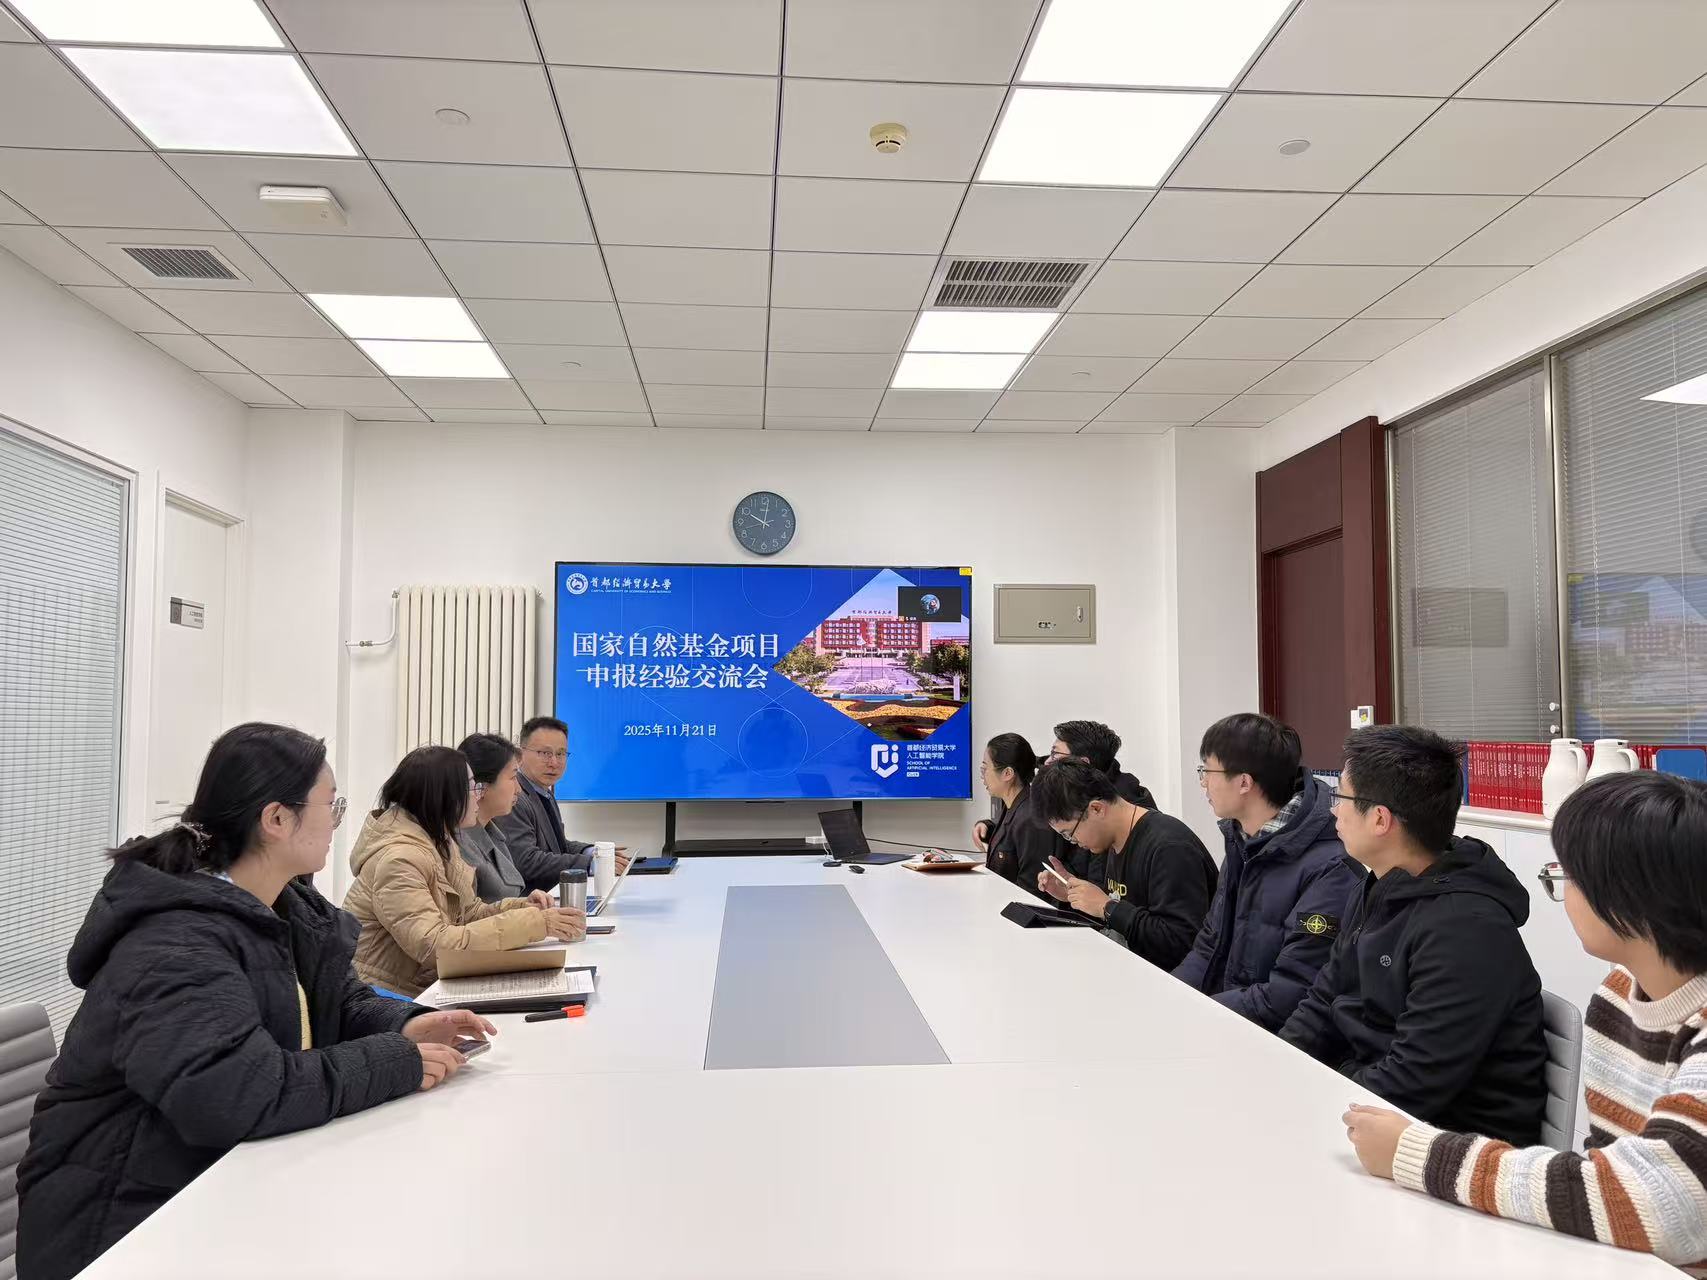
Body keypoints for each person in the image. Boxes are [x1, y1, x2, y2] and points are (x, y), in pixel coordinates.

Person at [15, 723, 494, 1280]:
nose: (338, 820)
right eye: (331, 804)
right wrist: (395, 1061)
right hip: (123, 1229)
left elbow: (337, 1003)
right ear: (277, 820)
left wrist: (408, 1024)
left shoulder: (282, 905)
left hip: (222, 1185)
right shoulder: (176, 942)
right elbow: (238, 1094)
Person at [1343, 771, 1707, 1270]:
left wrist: (1417, 1153)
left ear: (1627, 896)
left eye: (1569, 875)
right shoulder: (1618, 998)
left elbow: (1661, 1206)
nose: (1563, 889)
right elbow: (1607, 1169)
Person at [1279, 725, 1546, 1147]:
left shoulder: (1467, 928)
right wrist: (1280, 1067)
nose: (1333, 812)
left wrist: (1319, 1094)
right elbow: (1324, 999)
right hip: (1373, 1109)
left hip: (1451, 1147)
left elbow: (1412, 1083)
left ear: (1380, 819)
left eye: (1340, 798)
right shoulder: (1379, 883)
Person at [344, 744, 586, 997]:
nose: (478, 796)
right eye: (473, 787)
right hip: (387, 999)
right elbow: (436, 947)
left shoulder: (440, 841)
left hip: (427, 986)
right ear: (445, 796)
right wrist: (535, 924)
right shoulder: (399, 859)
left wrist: (524, 908)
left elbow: (468, 913)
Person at [1173, 713, 1361, 1030]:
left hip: (1274, 1038)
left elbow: (1291, 992)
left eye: (1207, 770)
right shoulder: (1242, 840)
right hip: (1228, 1018)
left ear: (1244, 783)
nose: (1203, 782)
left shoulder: (1330, 867)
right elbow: (1208, 947)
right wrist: (1170, 997)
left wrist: (1199, 1014)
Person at [1030, 758, 1217, 970]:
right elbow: (1127, 910)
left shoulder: (1169, 847)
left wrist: (1106, 907)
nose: (1075, 842)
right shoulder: (1113, 840)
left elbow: (1180, 943)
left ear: (1096, 809)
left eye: (1069, 834)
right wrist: (1076, 896)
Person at [496, 716, 628, 892]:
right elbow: (526, 860)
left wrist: (592, 852)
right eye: (545, 753)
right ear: (521, 755)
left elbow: (557, 846)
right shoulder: (514, 797)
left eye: (560, 754)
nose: (554, 763)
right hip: (531, 901)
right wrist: (590, 864)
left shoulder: (544, 792)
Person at [977, 732, 1070, 897]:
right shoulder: (1013, 805)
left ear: (1008, 773)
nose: (982, 776)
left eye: (985, 768)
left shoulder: (1032, 818)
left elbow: (1033, 890)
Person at [456, 732, 531, 903]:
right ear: (481, 786)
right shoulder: (459, 845)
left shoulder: (491, 833)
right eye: (513, 777)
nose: (519, 789)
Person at [1047, 719, 1158, 810]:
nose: (1047, 762)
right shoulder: (1076, 787)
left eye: (1055, 754)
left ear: (1083, 762)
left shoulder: (1125, 806)